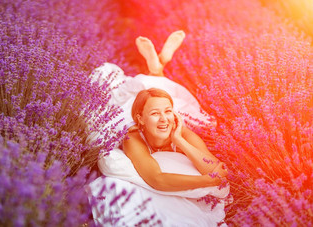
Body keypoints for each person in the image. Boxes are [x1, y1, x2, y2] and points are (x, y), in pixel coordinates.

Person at [88, 31, 230, 227]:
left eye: (168, 112)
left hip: (155, 110)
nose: (164, 119)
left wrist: (180, 141)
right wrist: (207, 181)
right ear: (141, 120)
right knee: (133, 92)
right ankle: (156, 69)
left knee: (164, 94)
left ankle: (158, 68)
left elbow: (215, 167)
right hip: (129, 108)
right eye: (155, 115)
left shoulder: (182, 130)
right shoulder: (133, 137)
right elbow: (157, 179)